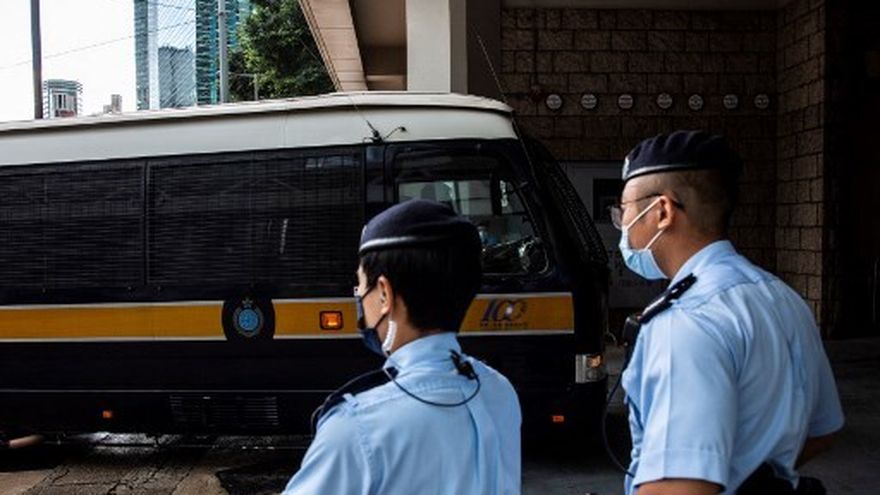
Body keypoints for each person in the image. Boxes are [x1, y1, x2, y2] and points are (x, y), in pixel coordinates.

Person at [612, 130, 844, 495]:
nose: (622, 225)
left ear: (662, 211)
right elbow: (823, 430)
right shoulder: (782, 297)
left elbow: (679, 488)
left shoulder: (686, 321)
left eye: (624, 211)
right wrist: (749, 472)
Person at [283, 199, 522, 495]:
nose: (360, 299)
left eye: (361, 286)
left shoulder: (356, 429)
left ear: (384, 293)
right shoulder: (500, 392)